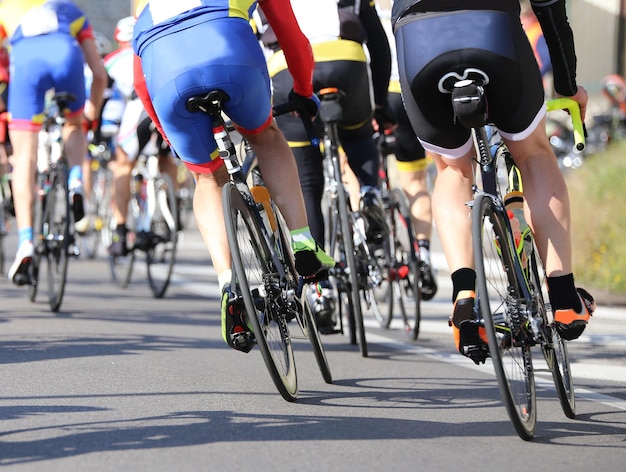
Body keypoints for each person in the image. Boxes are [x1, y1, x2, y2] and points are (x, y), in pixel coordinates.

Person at [391, 0, 594, 363]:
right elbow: (549, 6)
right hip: (491, 27)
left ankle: (464, 297)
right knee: (532, 154)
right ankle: (564, 299)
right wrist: (567, 85)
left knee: (453, 170)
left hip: (418, 36)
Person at [132, 0, 335, 352]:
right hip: (233, 60)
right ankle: (303, 242)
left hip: (168, 83)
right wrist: (303, 91)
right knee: (266, 136)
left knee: (208, 178)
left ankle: (228, 283)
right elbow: (291, 35)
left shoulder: (146, 10)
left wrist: (174, 141)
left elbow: (141, 84)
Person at [258, 0, 391, 331]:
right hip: (347, 60)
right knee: (359, 137)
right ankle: (371, 193)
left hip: (287, 65)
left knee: (307, 185)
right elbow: (378, 41)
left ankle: (320, 289)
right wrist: (379, 103)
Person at [1, 0, 107, 286]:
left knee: (24, 158)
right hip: (66, 59)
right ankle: (75, 181)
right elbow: (99, 75)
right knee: (73, 123)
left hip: (26, 65)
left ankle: (25, 243)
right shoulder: (70, 11)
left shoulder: (6, 8)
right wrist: (92, 115)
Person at [104, 15, 178, 256]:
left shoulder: (113, 60)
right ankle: (170, 206)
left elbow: (114, 99)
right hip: (169, 101)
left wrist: (105, 129)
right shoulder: (159, 41)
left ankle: (121, 227)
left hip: (140, 109)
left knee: (123, 165)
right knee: (167, 160)